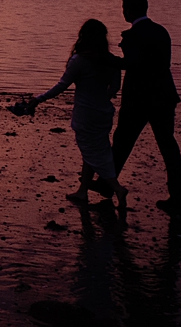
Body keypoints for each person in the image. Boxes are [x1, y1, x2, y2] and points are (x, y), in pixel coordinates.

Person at [13, 19, 126, 207]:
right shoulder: (111, 60)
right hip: (104, 112)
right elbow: (115, 87)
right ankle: (83, 191)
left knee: (92, 151)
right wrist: (100, 97)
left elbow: (62, 86)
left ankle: (117, 188)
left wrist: (38, 99)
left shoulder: (79, 60)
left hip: (86, 114)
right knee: (94, 150)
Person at [113, 0, 181, 214]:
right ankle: (179, 197)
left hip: (139, 99)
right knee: (168, 147)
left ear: (132, 9)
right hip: (164, 96)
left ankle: (108, 184)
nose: (123, 11)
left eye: (125, 7)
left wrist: (107, 60)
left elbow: (132, 65)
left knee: (122, 141)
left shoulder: (135, 35)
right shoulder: (161, 31)